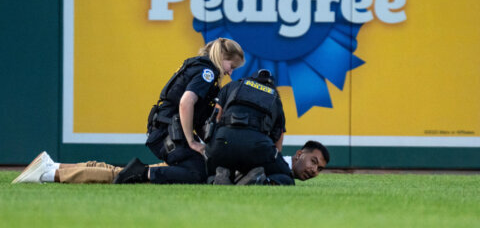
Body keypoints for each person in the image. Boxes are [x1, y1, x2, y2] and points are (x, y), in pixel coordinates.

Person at [119, 38, 244, 184]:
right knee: (197, 173)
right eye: (231, 65)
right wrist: (192, 142)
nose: (230, 72)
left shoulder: (199, 66)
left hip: (165, 129)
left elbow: (198, 116)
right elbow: (185, 103)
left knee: (204, 167)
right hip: (166, 134)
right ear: (221, 56)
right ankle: (140, 173)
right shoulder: (207, 73)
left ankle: (143, 172)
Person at [11, 141, 329, 184]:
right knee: (126, 177)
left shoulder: (271, 157)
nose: (314, 169)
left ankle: (54, 166)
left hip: (195, 158)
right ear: (299, 153)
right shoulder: (271, 157)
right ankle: (50, 173)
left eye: (319, 168)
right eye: (313, 160)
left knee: (124, 172)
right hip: (196, 161)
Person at [204, 69, 293, 185]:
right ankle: (258, 180)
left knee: (209, 168)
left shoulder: (232, 85)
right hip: (255, 147)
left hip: (223, 142)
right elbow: (278, 138)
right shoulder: (275, 98)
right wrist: (273, 164)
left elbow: (215, 117)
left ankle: (217, 178)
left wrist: (212, 147)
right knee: (287, 177)